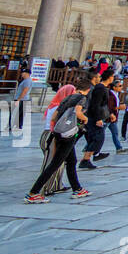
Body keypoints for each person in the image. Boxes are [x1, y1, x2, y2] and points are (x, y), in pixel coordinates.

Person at [25, 73, 92, 202]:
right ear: (87, 89)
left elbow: (54, 116)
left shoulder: (66, 98)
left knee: (72, 161)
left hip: (59, 132)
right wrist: (85, 119)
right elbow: (78, 113)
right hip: (69, 134)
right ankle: (33, 192)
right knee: (55, 164)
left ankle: (77, 189)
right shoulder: (81, 99)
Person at [36, 83, 76, 197]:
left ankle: (56, 185)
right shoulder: (58, 107)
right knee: (50, 163)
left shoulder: (56, 105)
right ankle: (45, 188)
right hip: (52, 136)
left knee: (59, 163)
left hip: (50, 135)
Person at [79, 70, 110, 169]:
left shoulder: (93, 87)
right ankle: (86, 159)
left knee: (91, 137)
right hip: (88, 116)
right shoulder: (92, 88)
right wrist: (97, 118)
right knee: (97, 137)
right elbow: (93, 104)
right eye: (99, 76)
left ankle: (88, 158)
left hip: (87, 116)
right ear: (94, 78)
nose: (100, 78)